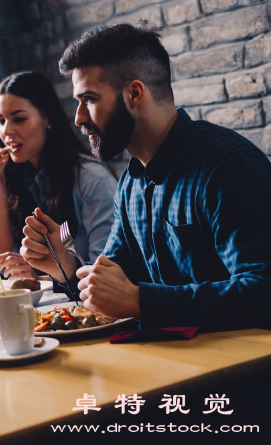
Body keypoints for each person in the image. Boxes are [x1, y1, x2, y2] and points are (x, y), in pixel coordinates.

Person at [20, 22, 271, 330]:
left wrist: (141, 302)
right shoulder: (131, 183)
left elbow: (263, 291)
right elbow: (112, 284)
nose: (78, 118)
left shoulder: (227, 166)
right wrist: (66, 266)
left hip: (238, 372)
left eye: (90, 99)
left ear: (134, 93)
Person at [0, 71, 117, 280]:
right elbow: (3, 266)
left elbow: (106, 268)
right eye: (0, 121)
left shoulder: (91, 178)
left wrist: (38, 277)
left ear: (48, 119)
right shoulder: (18, 176)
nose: (7, 131)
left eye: (19, 119)